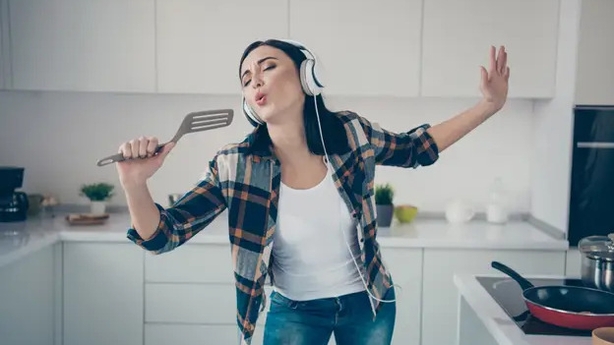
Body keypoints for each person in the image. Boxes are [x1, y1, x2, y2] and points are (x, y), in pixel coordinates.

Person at [116, 39, 510, 345]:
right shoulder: (235, 165)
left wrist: (488, 105)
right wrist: (135, 184)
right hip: (294, 312)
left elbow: (415, 148)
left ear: (308, 78)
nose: (256, 79)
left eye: (268, 67)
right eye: (247, 77)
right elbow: (162, 237)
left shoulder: (352, 135)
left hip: (369, 304)